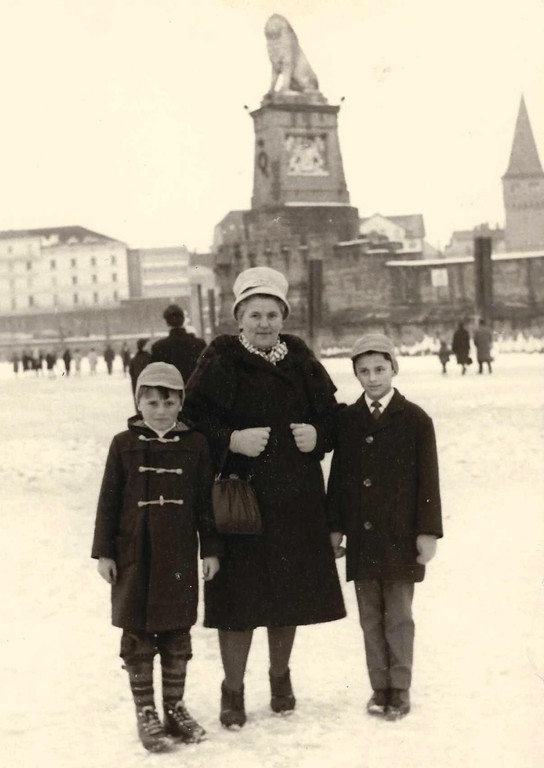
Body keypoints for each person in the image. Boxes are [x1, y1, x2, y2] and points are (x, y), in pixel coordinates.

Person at [184, 266, 346, 729]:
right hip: (240, 502)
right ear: (239, 317)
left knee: (287, 596)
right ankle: (232, 688)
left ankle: (280, 676)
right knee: (237, 602)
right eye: (254, 314)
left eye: (272, 314)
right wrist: (230, 440)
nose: (264, 323)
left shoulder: (300, 360)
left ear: (283, 317)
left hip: (295, 500)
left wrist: (317, 435)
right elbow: (192, 424)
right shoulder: (218, 361)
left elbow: (333, 421)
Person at [91, 362, 222, 753]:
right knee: (137, 633)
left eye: (168, 401)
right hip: (134, 555)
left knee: (176, 632)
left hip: (179, 554)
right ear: (138, 403)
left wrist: (211, 549)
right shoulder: (123, 444)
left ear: (181, 403)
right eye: (152, 401)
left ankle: (175, 706)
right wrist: (104, 553)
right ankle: (146, 711)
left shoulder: (196, 444)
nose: (161, 410)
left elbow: (204, 503)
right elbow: (108, 501)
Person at [327, 333, 443, 721]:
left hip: (400, 537)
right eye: (364, 371)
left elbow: (429, 481)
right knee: (369, 617)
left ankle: (401, 687)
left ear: (394, 367)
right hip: (362, 538)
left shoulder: (415, 419)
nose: (373, 378)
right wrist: (335, 527)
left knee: (399, 616)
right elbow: (339, 478)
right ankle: (379, 687)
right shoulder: (347, 421)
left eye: (380, 369)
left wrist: (427, 532)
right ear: (356, 375)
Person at [151, 304, 206, 384]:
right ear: (183, 320)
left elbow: (155, 377)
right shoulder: (200, 344)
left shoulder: (158, 347)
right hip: (195, 392)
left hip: (171, 393)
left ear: (167, 323)